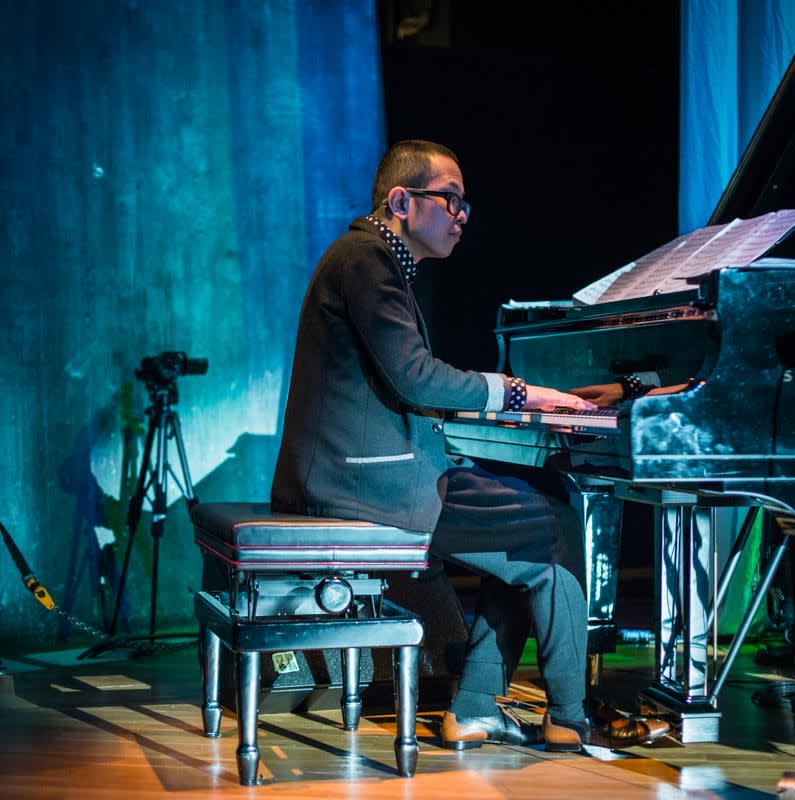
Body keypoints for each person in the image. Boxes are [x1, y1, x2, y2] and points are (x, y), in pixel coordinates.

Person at [270, 139, 669, 753]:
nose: (461, 215)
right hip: (362, 482)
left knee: (531, 521)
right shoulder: (366, 258)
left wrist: (505, 412)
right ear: (401, 201)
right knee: (552, 525)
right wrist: (521, 394)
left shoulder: (375, 260)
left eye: (464, 204)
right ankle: (567, 716)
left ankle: (479, 707)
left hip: (369, 469)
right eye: (449, 199)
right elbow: (415, 377)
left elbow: (402, 386)